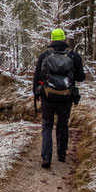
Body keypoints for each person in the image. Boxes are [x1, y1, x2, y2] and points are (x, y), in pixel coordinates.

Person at [33, 28, 85, 168]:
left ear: (51, 39)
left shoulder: (44, 55)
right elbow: (81, 77)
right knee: (63, 124)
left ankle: (46, 157)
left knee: (47, 125)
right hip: (66, 97)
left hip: (47, 96)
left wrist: (36, 94)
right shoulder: (73, 56)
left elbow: (37, 77)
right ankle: (61, 154)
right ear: (64, 38)